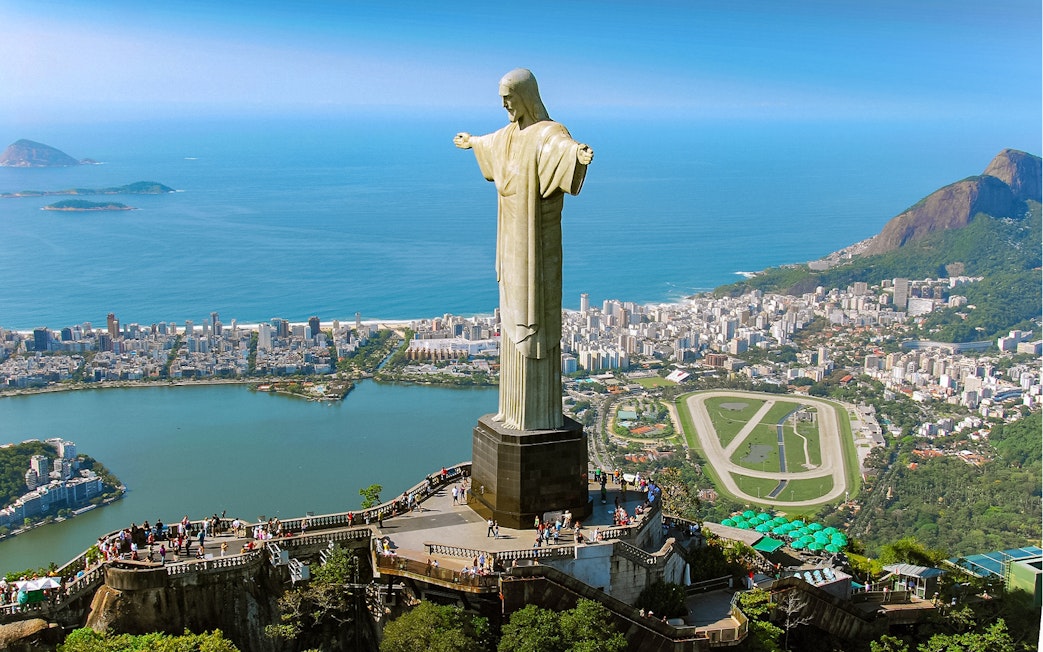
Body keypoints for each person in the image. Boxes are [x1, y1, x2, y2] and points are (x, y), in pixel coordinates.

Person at [455, 68, 593, 431]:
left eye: (510, 98)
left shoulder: (549, 132)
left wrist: (576, 155)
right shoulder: (509, 135)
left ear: (527, 97)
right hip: (511, 241)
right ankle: (512, 413)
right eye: (502, 100)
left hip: (536, 243)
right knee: (512, 317)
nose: (505, 106)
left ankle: (538, 416)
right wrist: (472, 141)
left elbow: (561, 150)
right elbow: (491, 143)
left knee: (535, 321)